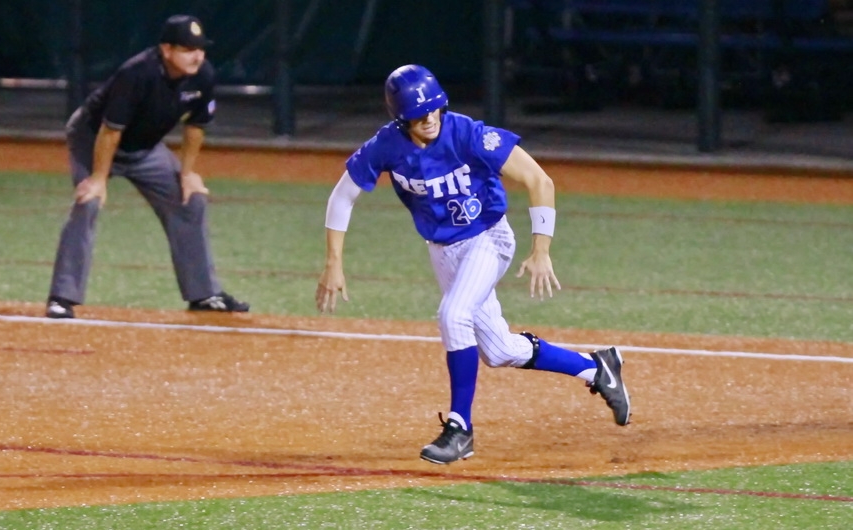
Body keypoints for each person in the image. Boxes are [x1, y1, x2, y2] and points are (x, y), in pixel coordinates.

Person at [315, 64, 631, 465]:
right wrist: (333, 262)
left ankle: (460, 428)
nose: (429, 118)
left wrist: (541, 249)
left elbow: (539, 181)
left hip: (488, 239)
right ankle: (597, 368)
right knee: (498, 350)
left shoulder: (468, 134)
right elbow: (342, 197)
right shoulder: (387, 145)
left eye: (433, 108)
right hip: (442, 251)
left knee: (453, 314)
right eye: (418, 114)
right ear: (400, 118)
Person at [45, 14, 249, 319]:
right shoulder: (137, 73)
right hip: (94, 138)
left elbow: (196, 126)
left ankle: (204, 294)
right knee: (88, 202)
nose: (197, 56)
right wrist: (98, 178)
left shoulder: (203, 75)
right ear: (166, 49)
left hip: (144, 149)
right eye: (187, 49)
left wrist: (187, 173)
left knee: (190, 200)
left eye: (200, 48)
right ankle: (62, 298)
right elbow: (110, 131)